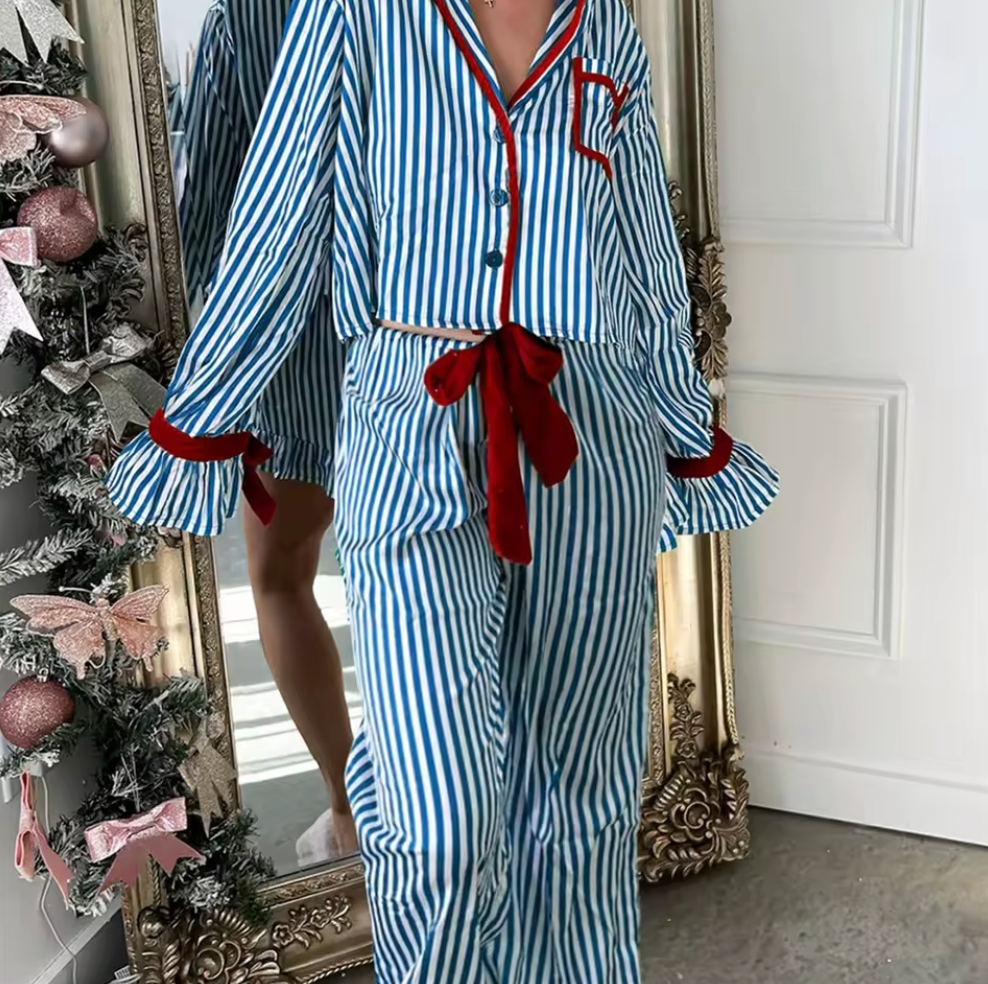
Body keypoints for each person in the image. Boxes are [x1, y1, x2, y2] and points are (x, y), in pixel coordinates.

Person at [107, 0, 778, 979]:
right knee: (435, 823)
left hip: (591, 430)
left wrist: (682, 425)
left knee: (581, 796)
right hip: (410, 421)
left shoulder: (603, 25)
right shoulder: (356, 17)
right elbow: (278, 220)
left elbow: (641, 254)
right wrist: (202, 419)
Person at [179, 0, 357, 862]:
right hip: (434, 338)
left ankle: (348, 807)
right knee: (448, 580)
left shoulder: (244, 19)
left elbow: (198, 221)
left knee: (282, 576)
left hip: (291, 352)